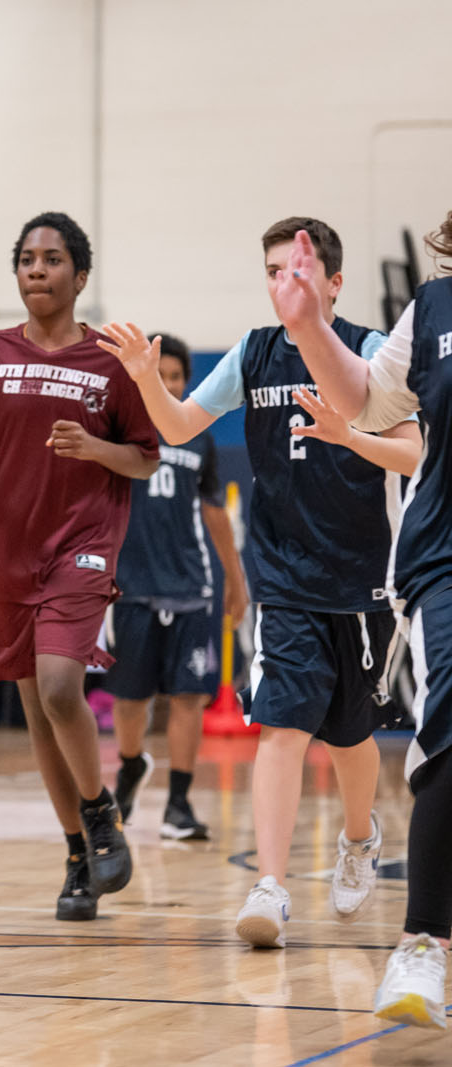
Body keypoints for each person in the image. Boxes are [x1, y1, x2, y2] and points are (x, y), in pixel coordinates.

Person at [98, 216, 420, 950]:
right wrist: (146, 379)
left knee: (351, 736)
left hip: (364, 577)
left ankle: (359, 837)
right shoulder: (253, 353)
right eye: (274, 271)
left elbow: (413, 455)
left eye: (297, 270)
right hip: (284, 574)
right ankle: (270, 885)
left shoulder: (373, 350)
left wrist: (349, 435)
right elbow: (179, 426)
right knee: (282, 726)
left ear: (333, 283)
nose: (284, 283)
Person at [0, 211, 158, 923]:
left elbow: (145, 458)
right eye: (27, 258)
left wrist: (95, 448)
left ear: (80, 276)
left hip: (81, 546)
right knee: (38, 713)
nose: (37, 268)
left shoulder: (109, 362)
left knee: (63, 688)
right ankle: (76, 855)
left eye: (53, 258)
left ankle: (100, 813)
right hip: (8, 553)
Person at [272, 216, 452, 1028]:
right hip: (445, 553)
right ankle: (422, 942)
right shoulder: (434, 307)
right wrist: (311, 325)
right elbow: (368, 400)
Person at [104, 334, 250, 842]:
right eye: (159, 374)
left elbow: (214, 512)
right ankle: (130, 766)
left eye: (175, 377)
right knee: (130, 699)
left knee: (189, 697)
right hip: (131, 587)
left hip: (191, 585)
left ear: (186, 382)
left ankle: (179, 805)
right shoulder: (120, 430)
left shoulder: (198, 436)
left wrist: (236, 578)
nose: (167, 384)